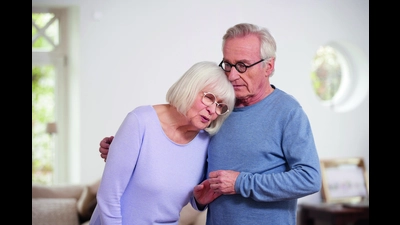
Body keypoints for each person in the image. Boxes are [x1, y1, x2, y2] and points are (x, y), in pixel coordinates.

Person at [98, 23, 321, 225]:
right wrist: (126, 151)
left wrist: (241, 183)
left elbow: (309, 179)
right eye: (228, 64)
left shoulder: (288, 112)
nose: (232, 75)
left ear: (269, 66)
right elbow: (187, 161)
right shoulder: (219, 110)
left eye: (242, 65)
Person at [89, 61, 235, 225]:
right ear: (190, 87)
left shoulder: (205, 142)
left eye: (220, 106)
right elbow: (108, 197)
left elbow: (181, 198)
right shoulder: (140, 122)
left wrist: (200, 200)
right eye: (209, 97)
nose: (213, 110)